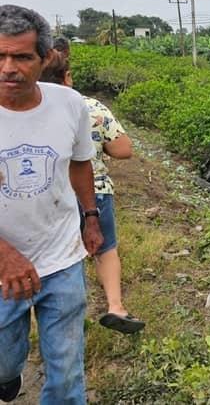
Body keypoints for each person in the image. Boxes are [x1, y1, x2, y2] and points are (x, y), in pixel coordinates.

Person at [0, 4, 103, 403]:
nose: (9, 67)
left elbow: (80, 164)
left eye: (22, 56)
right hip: (2, 266)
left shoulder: (70, 104)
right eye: (0, 56)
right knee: (5, 365)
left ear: (44, 59)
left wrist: (90, 217)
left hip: (61, 258)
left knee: (66, 372)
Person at [40, 50, 145, 335]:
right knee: (106, 249)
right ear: (67, 77)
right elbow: (124, 150)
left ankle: (65, 316)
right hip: (95, 190)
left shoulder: (27, 109)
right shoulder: (91, 108)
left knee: (59, 256)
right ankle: (115, 306)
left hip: (47, 197)